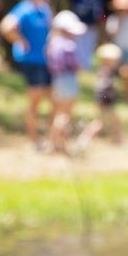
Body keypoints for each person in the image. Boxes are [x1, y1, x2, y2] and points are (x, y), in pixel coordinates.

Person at [0, 0, 55, 150]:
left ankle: (50, 139)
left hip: (46, 61)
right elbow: (6, 27)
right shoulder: (24, 9)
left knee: (53, 99)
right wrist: (20, 41)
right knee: (35, 100)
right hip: (32, 61)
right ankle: (33, 141)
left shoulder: (45, 9)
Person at [45, 10, 88, 154]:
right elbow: (76, 65)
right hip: (68, 79)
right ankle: (58, 144)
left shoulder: (53, 42)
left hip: (57, 79)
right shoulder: (69, 45)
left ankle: (56, 143)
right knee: (65, 115)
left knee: (57, 112)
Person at [76, 43, 123, 150]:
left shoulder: (109, 72)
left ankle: (117, 141)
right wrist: (101, 100)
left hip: (108, 100)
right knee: (100, 122)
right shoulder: (105, 72)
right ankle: (84, 139)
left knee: (113, 120)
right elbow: (101, 89)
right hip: (106, 100)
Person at [66, 0, 104, 69]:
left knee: (90, 41)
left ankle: (87, 65)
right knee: (78, 42)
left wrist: (100, 16)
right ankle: (79, 65)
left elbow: (99, 1)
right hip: (79, 17)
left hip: (92, 18)